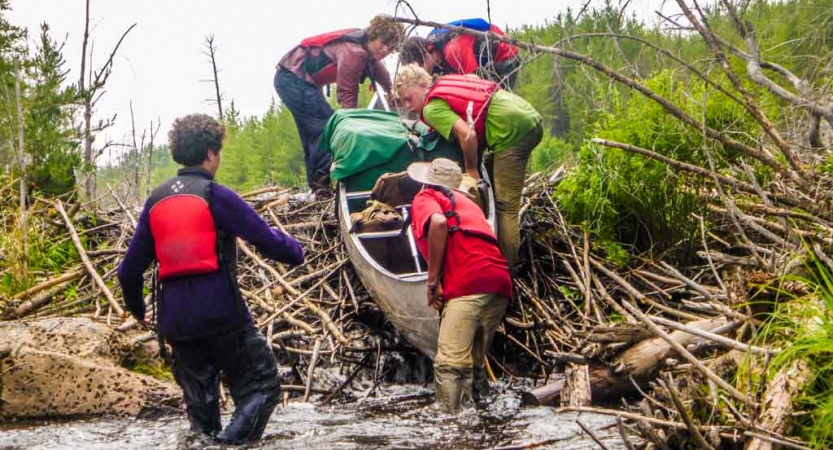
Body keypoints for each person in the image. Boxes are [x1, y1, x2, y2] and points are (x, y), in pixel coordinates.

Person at [117, 114, 304, 444]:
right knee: (263, 386)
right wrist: (296, 252)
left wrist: (136, 310)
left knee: (201, 417)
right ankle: (225, 446)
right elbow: (266, 239)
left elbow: (128, 270)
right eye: (218, 151)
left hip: (177, 325)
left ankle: (210, 441)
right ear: (209, 154)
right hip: (222, 318)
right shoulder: (216, 195)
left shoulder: (155, 201)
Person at [395, 64, 543, 269]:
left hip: (512, 130)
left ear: (422, 85)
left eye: (408, 99)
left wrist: (472, 169)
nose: (409, 107)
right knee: (491, 171)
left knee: (505, 207)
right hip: (525, 112)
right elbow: (473, 78)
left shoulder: (431, 109)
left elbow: (468, 135)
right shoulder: (449, 80)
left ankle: (505, 271)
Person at [407, 158, 512, 413]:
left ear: (425, 182)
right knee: (473, 363)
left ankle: (449, 424)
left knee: (450, 364)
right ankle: (482, 418)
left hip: (470, 283)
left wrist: (432, 282)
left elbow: (439, 223)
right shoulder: (469, 204)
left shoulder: (426, 197)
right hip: (499, 283)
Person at [274, 15, 405, 191]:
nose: (385, 49)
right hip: (293, 80)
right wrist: (353, 128)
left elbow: (378, 69)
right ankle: (322, 185)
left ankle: (317, 187)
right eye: (383, 42)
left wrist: (390, 90)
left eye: (391, 48)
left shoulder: (365, 47)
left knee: (311, 134)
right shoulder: (354, 52)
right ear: (374, 35)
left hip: (291, 79)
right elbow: (347, 95)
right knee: (327, 129)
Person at [399, 18, 521, 89]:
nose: (422, 73)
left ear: (426, 56)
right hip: (481, 64)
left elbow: (475, 82)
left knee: (492, 100)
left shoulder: (453, 50)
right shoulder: (433, 45)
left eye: (420, 68)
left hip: (505, 57)